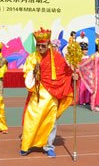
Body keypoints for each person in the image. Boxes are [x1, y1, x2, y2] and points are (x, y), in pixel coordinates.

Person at [20, 28, 75, 158]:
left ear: (49, 44)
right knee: (32, 119)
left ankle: (48, 146)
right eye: (38, 45)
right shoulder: (32, 58)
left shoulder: (57, 57)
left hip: (53, 95)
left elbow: (65, 72)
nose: (40, 48)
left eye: (43, 46)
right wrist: (34, 72)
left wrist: (73, 75)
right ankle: (27, 145)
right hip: (37, 95)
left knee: (51, 122)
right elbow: (27, 76)